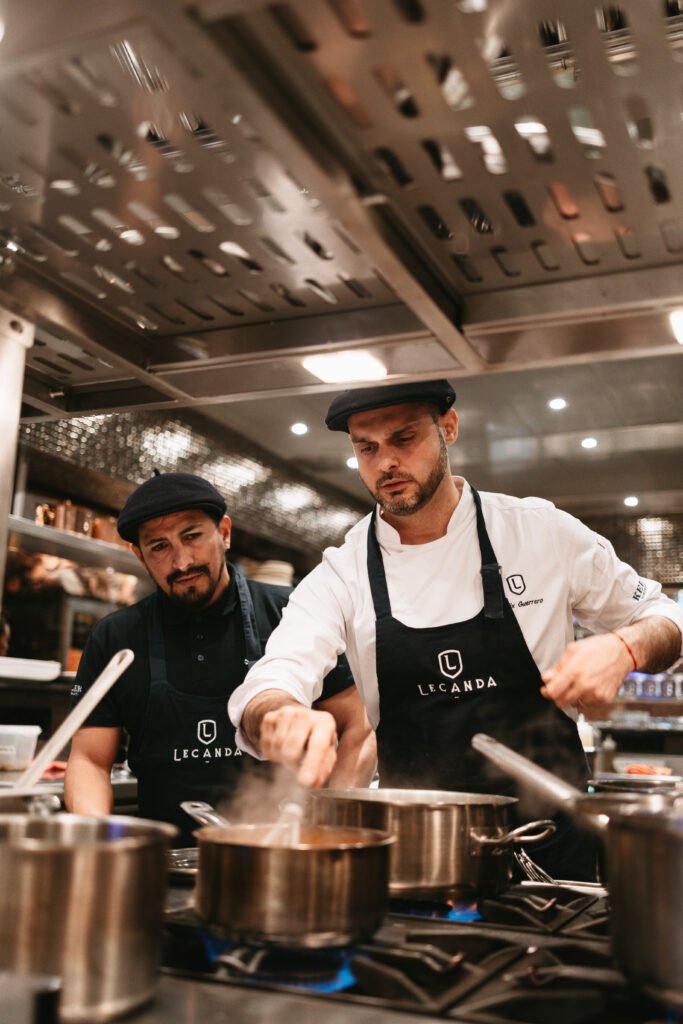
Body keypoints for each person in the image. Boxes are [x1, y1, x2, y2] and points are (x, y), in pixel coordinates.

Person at [229, 379, 683, 880]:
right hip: (420, 861)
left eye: (404, 439)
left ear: (448, 428)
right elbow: (274, 676)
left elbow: (666, 617)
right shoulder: (343, 571)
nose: (386, 463)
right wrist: (279, 715)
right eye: (367, 448)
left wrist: (625, 647)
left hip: (554, 850)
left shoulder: (539, 531)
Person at [64, 472, 375, 845]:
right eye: (159, 547)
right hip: (161, 856)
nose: (181, 562)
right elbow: (89, 760)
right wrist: (99, 845)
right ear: (139, 556)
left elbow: (359, 725)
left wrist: (330, 825)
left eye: (192, 536)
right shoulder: (114, 637)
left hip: (280, 851)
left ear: (224, 533)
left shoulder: (291, 613)